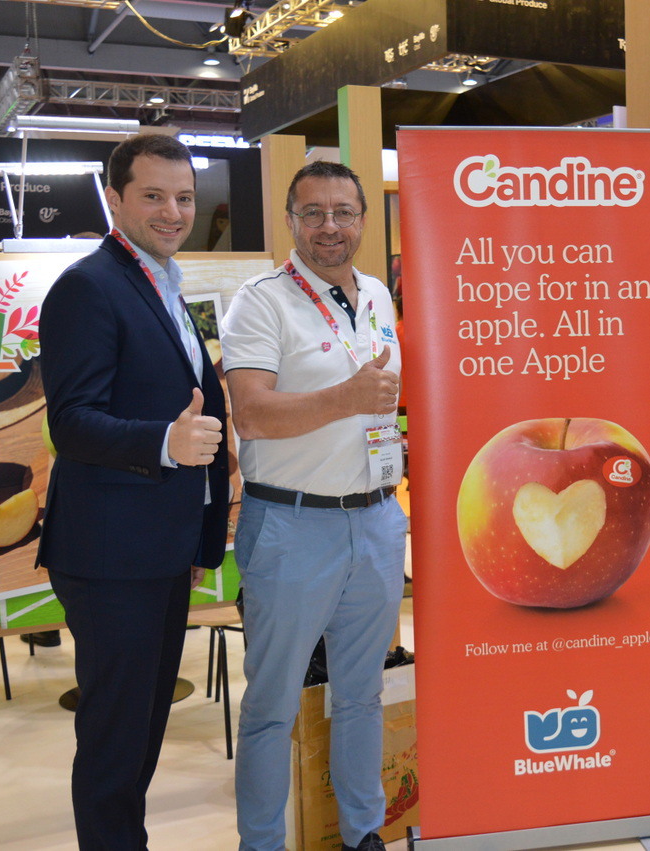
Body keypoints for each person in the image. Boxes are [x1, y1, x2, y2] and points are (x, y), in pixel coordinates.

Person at [37, 133, 230, 849]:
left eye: (184, 197)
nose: (173, 212)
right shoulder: (89, 286)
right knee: (116, 740)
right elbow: (71, 421)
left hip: (158, 548)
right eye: (153, 195)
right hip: (110, 555)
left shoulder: (165, 283)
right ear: (114, 199)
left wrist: (198, 536)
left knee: (142, 727)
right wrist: (163, 442)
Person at [220, 160, 405, 851]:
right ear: (291, 221)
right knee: (272, 704)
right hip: (291, 525)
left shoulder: (378, 295)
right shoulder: (261, 301)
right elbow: (251, 414)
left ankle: (362, 833)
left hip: (377, 520)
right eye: (314, 212)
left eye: (344, 211)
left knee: (362, 694)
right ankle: (262, 843)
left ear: (363, 219)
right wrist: (344, 400)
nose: (331, 225)